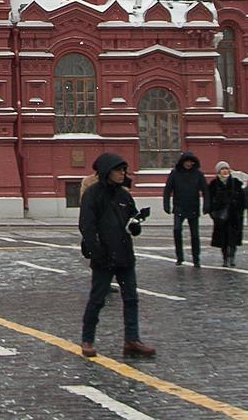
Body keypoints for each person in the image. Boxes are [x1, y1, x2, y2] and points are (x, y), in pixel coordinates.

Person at [78, 151, 154, 360]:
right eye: (118, 170)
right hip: (103, 257)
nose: (123, 174)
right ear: (107, 171)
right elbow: (86, 225)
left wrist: (136, 224)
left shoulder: (124, 195)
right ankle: (87, 339)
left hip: (124, 255)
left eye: (124, 170)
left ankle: (132, 339)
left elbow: (131, 221)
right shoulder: (92, 194)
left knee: (131, 299)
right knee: (97, 299)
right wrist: (96, 251)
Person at [161, 151, 205, 266]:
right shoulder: (175, 173)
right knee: (177, 231)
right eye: (187, 161)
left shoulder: (198, 174)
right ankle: (179, 257)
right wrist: (166, 204)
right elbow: (167, 190)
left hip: (193, 207)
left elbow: (205, 190)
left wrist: (207, 205)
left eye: (191, 162)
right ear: (182, 162)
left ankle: (196, 259)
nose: (189, 164)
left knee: (194, 235)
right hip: (179, 207)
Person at [206, 163, 246, 267]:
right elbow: (209, 199)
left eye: (226, 169)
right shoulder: (214, 184)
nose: (225, 171)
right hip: (220, 216)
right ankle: (225, 258)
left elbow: (242, 199)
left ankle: (232, 257)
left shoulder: (236, 183)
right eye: (222, 169)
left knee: (233, 238)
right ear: (218, 171)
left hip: (234, 216)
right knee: (223, 239)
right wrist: (213, 212)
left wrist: (239, 211)